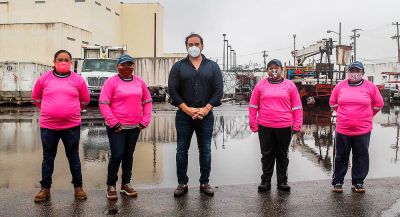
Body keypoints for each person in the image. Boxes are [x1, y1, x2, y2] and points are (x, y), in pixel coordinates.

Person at [168, 33, 223, 197]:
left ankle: (205, 182)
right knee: (181, 150)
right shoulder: (178, 67)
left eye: (197, 44)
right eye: (190, 44)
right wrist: (186, 109)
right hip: (184, 116)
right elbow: (173, 90)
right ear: (186, 46)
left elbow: (218, 89)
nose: (194, 47)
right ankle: (182, 183)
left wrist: (207, 108)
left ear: (202, 46)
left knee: (205, 150)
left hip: (206, 115)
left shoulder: (212, 66)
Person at [32, 50, 90, 202]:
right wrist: (49, 110)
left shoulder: (78, 80)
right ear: (54, 61)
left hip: (71, 126)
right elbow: (36, 98)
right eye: (60, 59)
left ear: (71, 62)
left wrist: (72, 111)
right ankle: (45, 189)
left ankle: (78, 187)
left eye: (66, 59)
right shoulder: (44, 79)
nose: (63, 62)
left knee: (74, 157)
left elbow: (85, 100)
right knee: (48, 158)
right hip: (48, 126)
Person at [99, 54, 152, 200]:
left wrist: (145, 120)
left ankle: (126, 184)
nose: (127, 68)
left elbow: (147, 101)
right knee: (117, 155)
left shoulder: (139, 82)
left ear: (133, 66)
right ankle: (111, 185)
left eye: (130, 65)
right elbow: (103, 103)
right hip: (117, 127)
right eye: (123, 65)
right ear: (118, 66)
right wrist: (113, 122)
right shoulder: (111, 82)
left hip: (135, 127)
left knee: (128, 156)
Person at [248, 59, 303, 192]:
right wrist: (253, 123)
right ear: (267, 70)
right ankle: (265, 181)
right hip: (265, 126)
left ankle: (282, 181)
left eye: (277, 67)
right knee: (267, 155)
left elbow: (297, 106)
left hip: (284, 126)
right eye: (271, 67)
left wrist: (297, 124)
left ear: (281, 69)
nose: (274, 70)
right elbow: (253, 105)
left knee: (282, 154)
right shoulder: (260, 85)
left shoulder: (290, 85)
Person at [330, 61, 384, 193]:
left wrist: (367, 115)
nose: (354, 73)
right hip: (343, 129)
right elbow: (333, 104)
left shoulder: (370, 87)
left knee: (360, 156)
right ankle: (338, 182)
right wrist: (344, 115)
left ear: (362, 73)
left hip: (363, 130)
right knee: (340, 156)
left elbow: (378, 104)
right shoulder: (340, 86)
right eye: (352, 71)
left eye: (357, 71)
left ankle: (358, 182)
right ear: (347, 72)